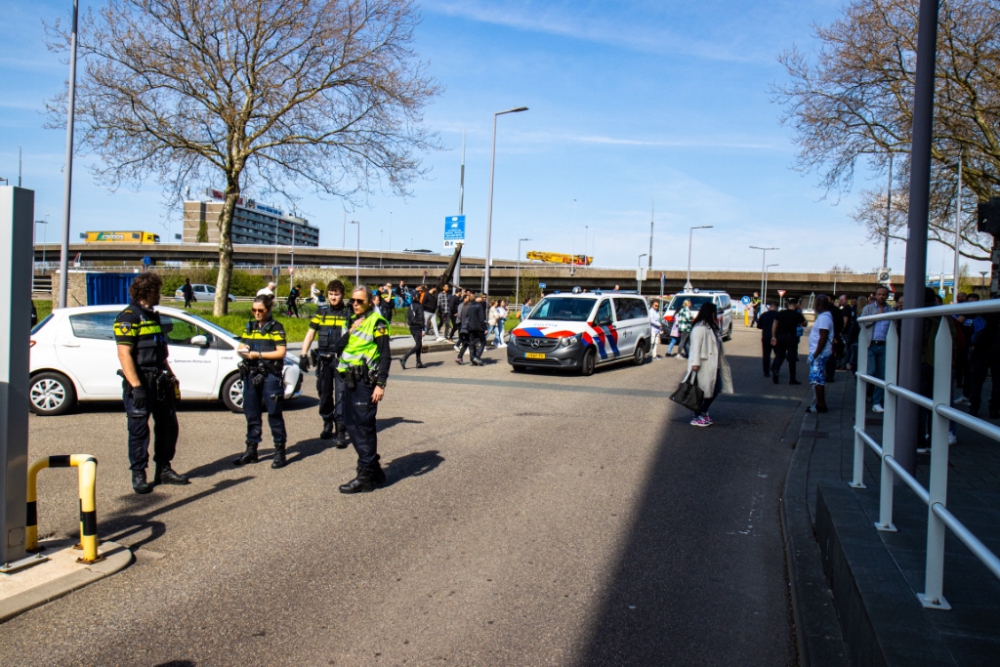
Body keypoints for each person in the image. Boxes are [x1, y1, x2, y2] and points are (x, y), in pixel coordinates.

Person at [114, 272, 189, 494]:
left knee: (168, 426)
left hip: (159, 381)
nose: (160, 294)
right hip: (141, 382)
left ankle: (164, 469)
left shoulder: (153, 316)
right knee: (139, 429)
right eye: (158, 290)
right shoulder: (128, 317)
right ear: (148, 291)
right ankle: (139, 473)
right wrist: (136, 386)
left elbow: (160, 354)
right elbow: (124, 355)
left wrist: (171, 376)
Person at [328, 286, 391, 493]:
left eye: (360, 301)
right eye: (352, 301)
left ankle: (365, 474)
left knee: (361, 427)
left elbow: (385, 355)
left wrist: (381, 384)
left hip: (365, 383)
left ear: (370, 302)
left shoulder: (377, 322)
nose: (355, 304)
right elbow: (338, 348)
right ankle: (375, 470)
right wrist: (350, 331)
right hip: (348, 380)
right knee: (351, 423)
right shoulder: (350, 321)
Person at [233, 294, 289, 468]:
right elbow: (240, 347)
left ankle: (280, 451)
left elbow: (281, 352)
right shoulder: (249, 327)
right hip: (251, 374)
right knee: (251, 414)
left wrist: (258, 354)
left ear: (268, 309)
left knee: (274, 413)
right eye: (254, 310)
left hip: (269, 375)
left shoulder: (276, 328)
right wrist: (242, 350)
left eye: (260, 310)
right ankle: (251, 450)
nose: (257, 313)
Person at [299, 280, 352, 446]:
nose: (333, 297)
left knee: (342, 395)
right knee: (324, 394)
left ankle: (340, 429)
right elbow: (310, 335)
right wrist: (303, 354)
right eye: (331, 294)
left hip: (342, 360)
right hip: (324, 360)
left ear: (342, 295)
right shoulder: (321, 313)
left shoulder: (348, 313)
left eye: (336, 294)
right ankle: (327, 422)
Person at [685, 302, 734, 426]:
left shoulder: (712, 326)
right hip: (703, 364)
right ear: (709, 313)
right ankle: (697, 416)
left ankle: (703, 411)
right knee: (701, 391)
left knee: (715, 388)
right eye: (714, 312)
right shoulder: (699, 328)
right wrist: (694, 364)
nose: (716, 315)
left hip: (714, 364)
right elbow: (695, 347)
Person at [860, 286, 891, 413]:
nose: (881, 297)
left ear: (887, 296)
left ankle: (876, 402)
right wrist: (875, 316)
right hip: (870, 344)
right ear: (876, 295)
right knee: (870, 371)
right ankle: (863, 397)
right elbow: (862, 323)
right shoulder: (868, 309)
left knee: (882, 375)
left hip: (884, 345)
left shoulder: (891, 310)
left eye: (884, 294)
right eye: (879, 294)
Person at [807, 294, 834, 413]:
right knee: (818, 378)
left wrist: (816, 354)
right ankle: (819, 403)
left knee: (817, 379)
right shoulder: (826, 316)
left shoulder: (823, 318)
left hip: (820, 354)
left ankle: (820, 405)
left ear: (818, 304)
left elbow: (823, 337)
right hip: (821, 353)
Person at [771, 297, 805, 385]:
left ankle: (776, 371)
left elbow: (775, 325)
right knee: (792, 359)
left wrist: (774, 336)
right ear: (797, 305)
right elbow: (805, 324)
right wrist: (800, 311)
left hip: (780, 337)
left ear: (788, 305)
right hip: (791, 338)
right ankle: (792, 379)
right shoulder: (797, 314)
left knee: (780, 356)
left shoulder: (781, 313)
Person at [458, 294, 487, 365]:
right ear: (476, 298)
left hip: (470, 328)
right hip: (478, 327)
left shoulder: (469, 307)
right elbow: (481, 318)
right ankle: (476, 356)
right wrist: (484, 328)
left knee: (472, 343)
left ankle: (472, 359)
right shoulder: (479, 306)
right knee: (483, 342)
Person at [401, 285, 426, 369]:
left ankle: (418, 362)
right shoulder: (419, 306)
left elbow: (408, 317)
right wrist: (423, 328)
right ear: (419, 298)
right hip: (418, 327)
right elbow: (421, 317)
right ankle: (404, 357)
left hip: (412, 328)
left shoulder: (410, 306)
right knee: (418, 345)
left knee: (418, 344)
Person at [756, 302, 778, 377]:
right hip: (776, 337)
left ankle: (766, 372)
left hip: (765, 336)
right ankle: (774, 366)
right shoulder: (778, 315)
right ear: (776, 308)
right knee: (779, 354)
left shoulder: (764, 315)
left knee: (766, 355)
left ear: (770, 307)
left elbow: (759, 326)